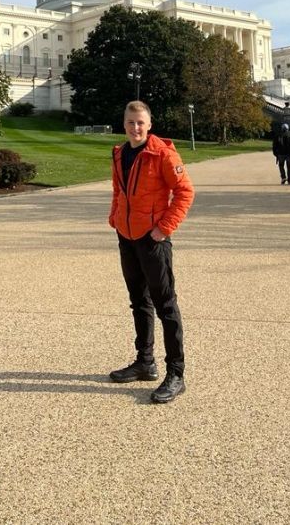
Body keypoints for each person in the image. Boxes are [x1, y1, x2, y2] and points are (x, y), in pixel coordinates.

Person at [107, 100, 195, 404]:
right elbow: (119, 189)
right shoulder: (120, 153)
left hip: (152, 239)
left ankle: (176, 373)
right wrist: (115, 216)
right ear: (125, 124)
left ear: (149, 124)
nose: (135, 128)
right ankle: (145, 362)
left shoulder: (163, 154)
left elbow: (185, 192)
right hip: (127, 235)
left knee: (165, 305)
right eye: (130, 122)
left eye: (140, 123)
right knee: (138, 302)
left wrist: (164, 228)